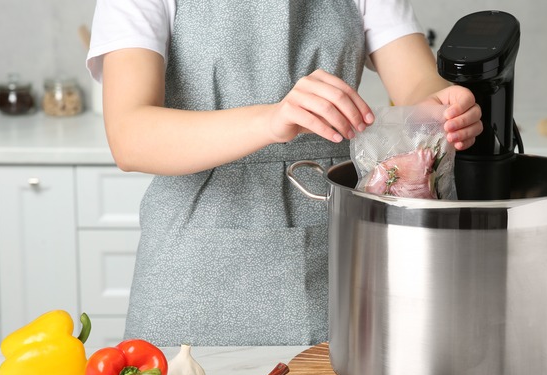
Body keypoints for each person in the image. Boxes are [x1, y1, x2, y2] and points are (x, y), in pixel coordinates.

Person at [86, 0, 482, 346]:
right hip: (192, 263)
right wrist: (271, 121)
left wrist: (440, 108)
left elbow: (416, 82)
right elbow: (130, 136)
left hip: (339, 246)